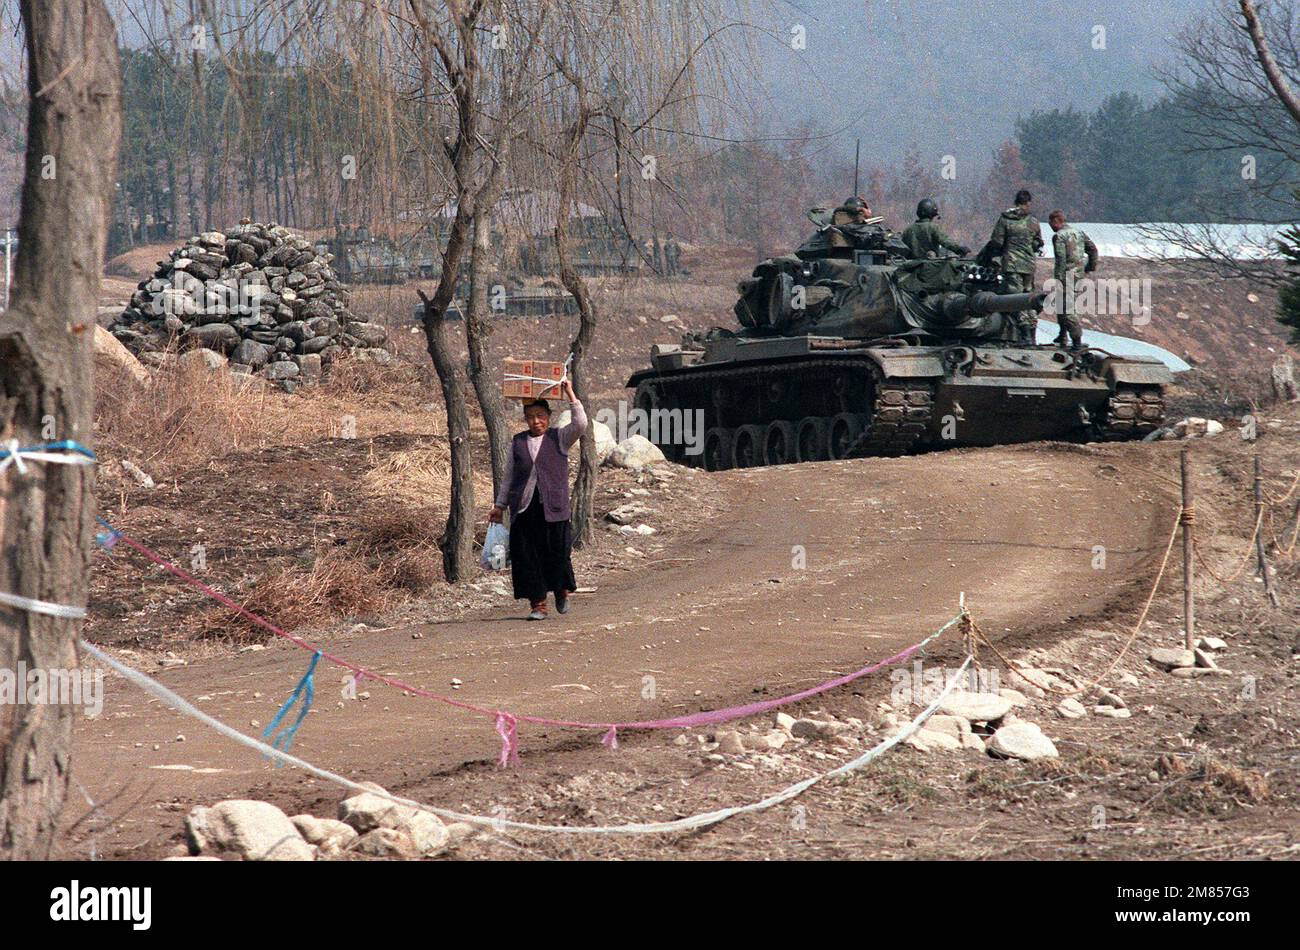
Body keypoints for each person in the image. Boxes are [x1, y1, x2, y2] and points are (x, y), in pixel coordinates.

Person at [489, 379, 587, 621]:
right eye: (531, 416)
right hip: (524, 510)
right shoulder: (518, 442)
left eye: (541, 416)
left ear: (549, 416)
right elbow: (509, 477)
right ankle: (538, 605)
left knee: (558, 553)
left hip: (554, 508)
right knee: (528, 556)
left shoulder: (560, 439)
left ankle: (561, 591)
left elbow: (581, 423)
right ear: (525, 419)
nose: (536, 421)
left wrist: (569, 392)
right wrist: (499, 506)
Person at [987, 189, 1044, 344]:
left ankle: (1024, 334)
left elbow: (997, 242)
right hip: (1029, 265)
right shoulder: (1033, 221)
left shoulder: (1005, 219)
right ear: (1028, 202)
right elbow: (1038, 242)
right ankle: (1032, 334)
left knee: (1016, 299)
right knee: (1030, 297)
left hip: (1012, 264)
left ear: (1016, 201)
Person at [1048, 210, 1099, 350]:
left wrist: (1058, 278)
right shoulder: (1079, 232)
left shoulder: (1059, 236)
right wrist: (1089, 267)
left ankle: (1076, 340)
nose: (1050, 226)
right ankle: (1062, 334)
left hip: (1066, 276)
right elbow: (1093, 249)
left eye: (1051, 223)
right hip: (1078, 275)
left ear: (1056, 221)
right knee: (1062, 305)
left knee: (1067, 309)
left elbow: (1060, 259)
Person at [901, 198, 969, 259]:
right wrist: (959, 249)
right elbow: (945, 241)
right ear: (932, 214)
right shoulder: (933, 227)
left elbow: (903, 249)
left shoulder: (908, 230)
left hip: (911, 267)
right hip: (930, 267)